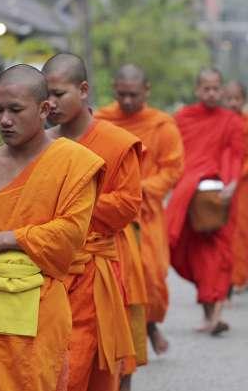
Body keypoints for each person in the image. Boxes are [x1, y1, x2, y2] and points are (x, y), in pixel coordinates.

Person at [0, 64, 105, 391]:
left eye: (15, 110)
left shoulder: (74, 162)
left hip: (41, 304)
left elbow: (70, 234)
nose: (4, 120)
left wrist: (4, 239)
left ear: (44, 109)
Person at [42, 53, 144, 391]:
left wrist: (73, 209)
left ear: (83, 89)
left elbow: (128, 204)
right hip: (47, 268)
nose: (50, 103)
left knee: (77, 359)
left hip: (92, 269)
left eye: (58, 94)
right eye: (46, 95)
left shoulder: (116, 142)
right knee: (46, 359)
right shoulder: (40, 144)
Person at [95, 64, 184, 355]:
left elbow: (172, 169)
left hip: (147, 212)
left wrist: (140, 187)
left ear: (146, 91)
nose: (128, 101)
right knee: (119, 276)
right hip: (112, 213)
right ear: (113, 90)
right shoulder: (101, 121)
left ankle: (151, 324)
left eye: (133, 95)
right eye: (122, 95)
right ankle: (126, 337)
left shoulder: (161, 125)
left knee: (152, 275)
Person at [167, 68, 244, 335]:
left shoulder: (231, 121)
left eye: (216, 88)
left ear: (221, 90)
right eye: (206, 88)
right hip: (192, 197)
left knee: (221, 256)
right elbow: (174, 154)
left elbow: (236, 155)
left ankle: (216, 316)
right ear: (198, 90)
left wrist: (233, 182)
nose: (212, 93)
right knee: (197, 257)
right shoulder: (184, 119)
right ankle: (209, 314)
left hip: (222, 197)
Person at [222, 81, 248, 293]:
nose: (233, 103)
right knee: (226, 231)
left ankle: (240, 276)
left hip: (244, 185)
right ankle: (229, 278)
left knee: (243, 230)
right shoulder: (219, 123)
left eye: (237, 99)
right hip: (222, 181)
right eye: (229, 99)